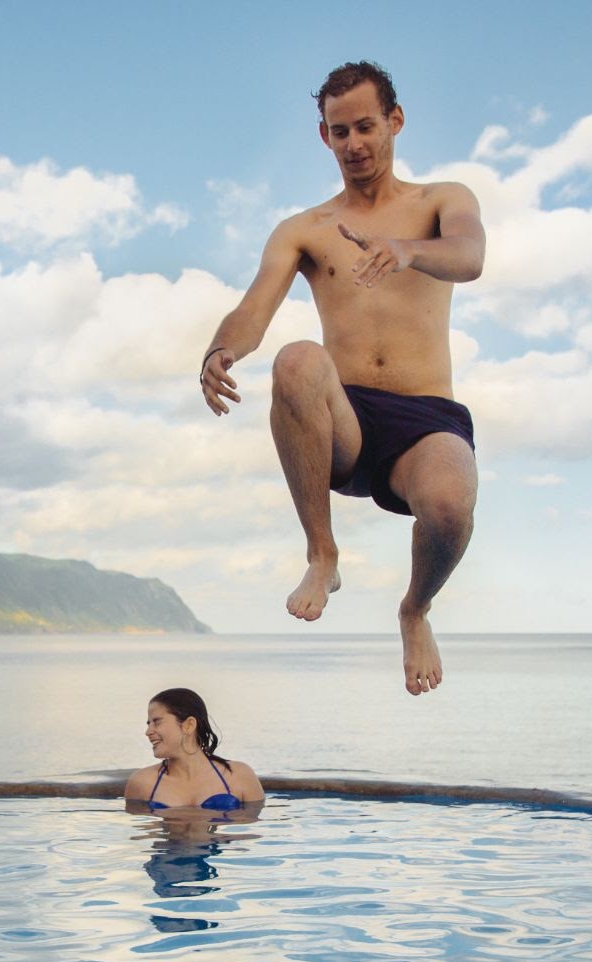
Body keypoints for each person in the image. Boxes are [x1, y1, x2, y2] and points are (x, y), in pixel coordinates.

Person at [198, 60, 485, 695]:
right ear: (323, 136)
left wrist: (410, 251)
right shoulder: (305, 229)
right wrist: (220, 351)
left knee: (448, 508)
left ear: (395, 122)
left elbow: (470, 255)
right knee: (297, 358)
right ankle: (322, 553)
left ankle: (414, 610)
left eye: (365, 127)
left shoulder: (443, 200)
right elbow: (254, 309)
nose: (353, 144)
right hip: (346, 417)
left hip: (425, 417)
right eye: (339, 131)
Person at [125, 687, 266, 812]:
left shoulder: (238, 775)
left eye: (157, 722)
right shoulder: (141, 783)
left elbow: (253, 833)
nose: (148, 731)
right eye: (149, 723)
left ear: (189, 725)